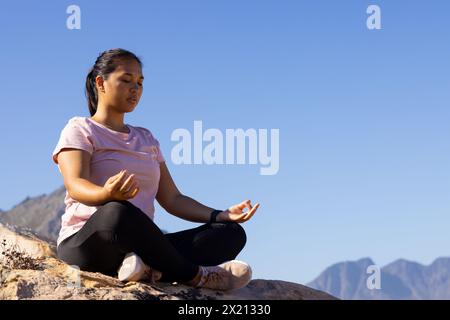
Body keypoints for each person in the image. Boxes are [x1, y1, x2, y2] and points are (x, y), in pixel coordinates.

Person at [51, 48, 260, 291]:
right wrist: (106, 194)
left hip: (142, 245)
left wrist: (219, 215)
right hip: (89, 243)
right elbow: (75, 184)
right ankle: (197, 276)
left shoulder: (146, 138)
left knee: (231, 234)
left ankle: (144, 268)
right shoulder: (80, 128)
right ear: (101, 83)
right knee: (117, 212)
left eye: (140, 83)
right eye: (126, 80)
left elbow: (173, 199)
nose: (135, 89)